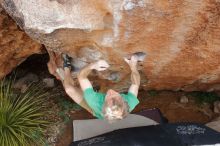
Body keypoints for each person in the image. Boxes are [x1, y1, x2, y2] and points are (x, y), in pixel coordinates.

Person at [48, 52, 142, 122]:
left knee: (69, 89)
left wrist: (93, 65)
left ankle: (66, 68)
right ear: (123, 99)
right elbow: (135, 83)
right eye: (115, 95)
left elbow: (81, 76)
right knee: (85, 88)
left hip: (94, 107)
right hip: (107, 103)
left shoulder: (94, 101)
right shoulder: (130, 102)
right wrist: (133, 66)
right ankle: (88, 88)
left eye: (108, 96)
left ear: (103, 103)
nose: (110, 92)